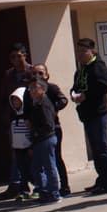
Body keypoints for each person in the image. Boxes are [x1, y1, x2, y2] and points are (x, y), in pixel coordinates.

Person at [70, 38, 107, 195]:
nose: (80, 54)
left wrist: (86, 96)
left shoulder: (97, 66)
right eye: (78, 51)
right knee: (95, 149)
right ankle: (101, 179)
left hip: (98, 113)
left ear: (92, 51)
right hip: (87, 114)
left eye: (84, 51)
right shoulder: (81, 69)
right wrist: (73, 94)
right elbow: (76, 86)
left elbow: (104, 86)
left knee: (102, 148)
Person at [0, 44, 35, 200]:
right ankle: (18, 184)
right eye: (12, 57)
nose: (16, 60)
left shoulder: (32, 71)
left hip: (31, 118)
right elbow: (4, 96)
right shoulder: (9, 75)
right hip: (15, 119)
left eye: (19, 56)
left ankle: (40, 184)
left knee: (33, 152)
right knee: (17, 152)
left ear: (25, 55)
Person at [31, 64, 71, 197]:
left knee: (56, 159)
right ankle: (43, 189)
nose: (38, 76)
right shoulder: (31, 89)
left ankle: (63, 187)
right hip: (38, 132)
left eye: (41, 73)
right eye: (35, 73)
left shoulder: (51, 88)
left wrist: (52, 110)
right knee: (40, 162)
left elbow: (64, 100)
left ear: (47, 75)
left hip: (53, 129)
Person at [24, 78, 61, 203]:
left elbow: (48, 124)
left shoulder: (44, 104)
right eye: (30, 89)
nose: (32, 91)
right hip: (39, 140)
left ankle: (54, 193)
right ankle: (43, 192)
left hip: (46, 138)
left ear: (43, 90)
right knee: (38, 167)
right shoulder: (36, 103)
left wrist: (36, 131)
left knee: (49, 166)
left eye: (35, 88)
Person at [3, 88, 33, 201]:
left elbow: (31, 131)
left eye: (18, 100)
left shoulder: (27, 115)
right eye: (13, 101)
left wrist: (31, 146)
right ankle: (24, 191)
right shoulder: (13, 116)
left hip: (27, 147)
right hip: (18, 148)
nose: (15, 103)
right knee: (22, 171)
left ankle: (39, 188)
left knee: (32, 170)